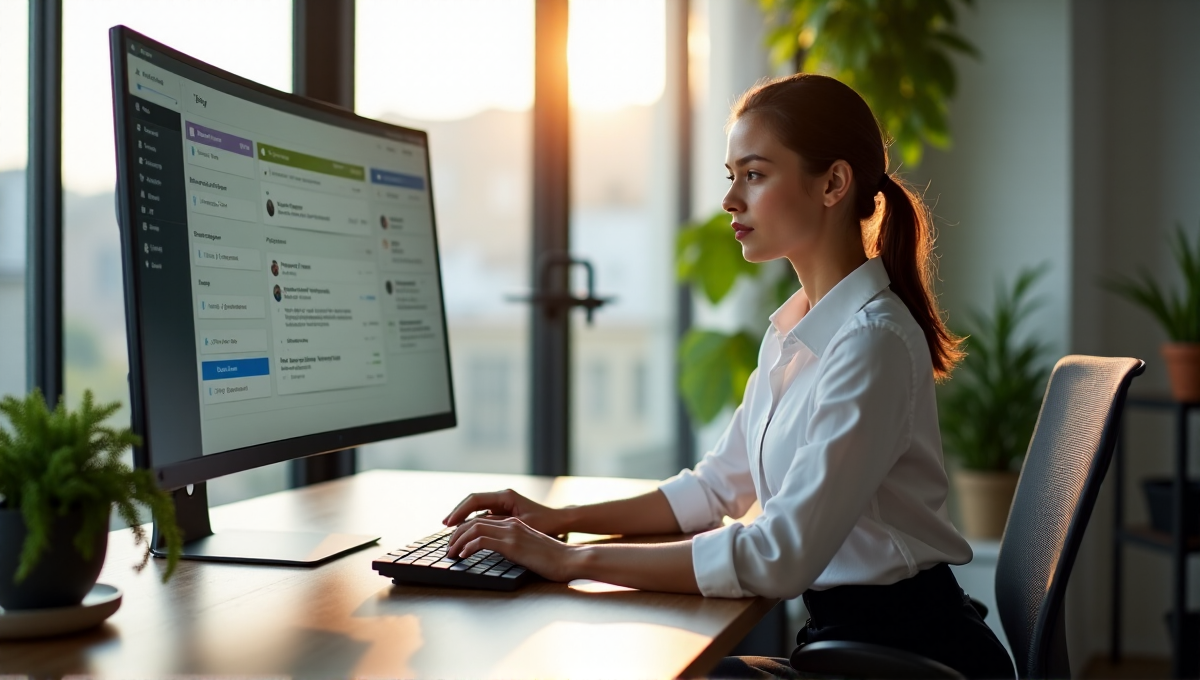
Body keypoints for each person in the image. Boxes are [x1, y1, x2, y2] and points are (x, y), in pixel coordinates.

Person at [443, 74, 1014, 680]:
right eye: (731, 176)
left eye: (755, 174)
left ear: (833, 183)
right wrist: (557, 520)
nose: (730, 200)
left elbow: (779, 555)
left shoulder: (872, 342)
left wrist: (572, 560)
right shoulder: (795, 332)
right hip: (849, 642)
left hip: (909, 657)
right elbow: (716, 488)